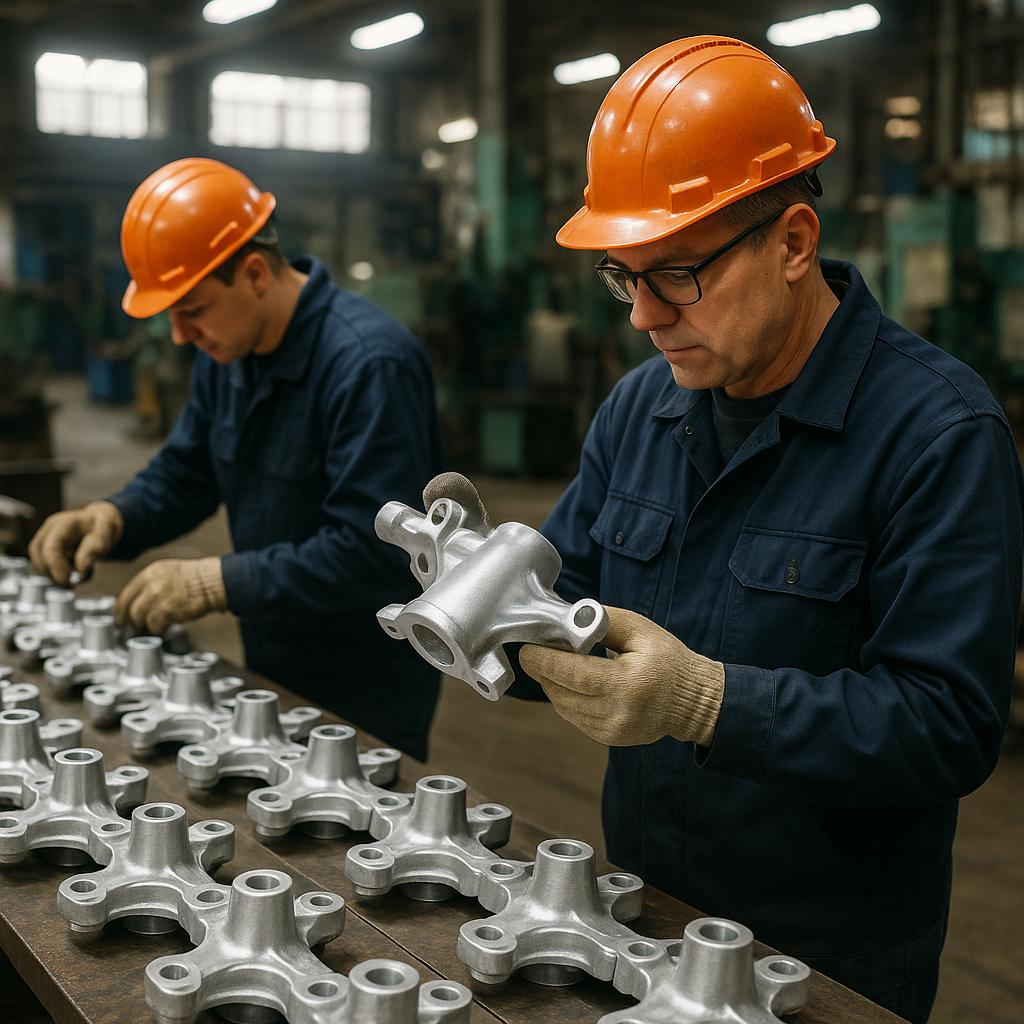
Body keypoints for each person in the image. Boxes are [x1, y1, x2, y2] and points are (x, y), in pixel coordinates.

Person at [437, 37, 1024, 1023]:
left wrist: (708, 701)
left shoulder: (937, 434)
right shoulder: (639, 410)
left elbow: (948, 726)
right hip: (638, 912)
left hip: (826, 960)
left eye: (675, 274)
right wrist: (491, 598)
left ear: (793, 242)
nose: (643, 317)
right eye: (623, 278)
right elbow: (572, 591)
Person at [29, 157, 445, 760]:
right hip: (272, 667)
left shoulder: (369, 365)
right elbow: (187, 469)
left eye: (191, 309)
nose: (179, 335)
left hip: (365, 691)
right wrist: (113, 517)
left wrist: (214, 581)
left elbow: (378, 555)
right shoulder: (228, 353)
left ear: (252, 273)